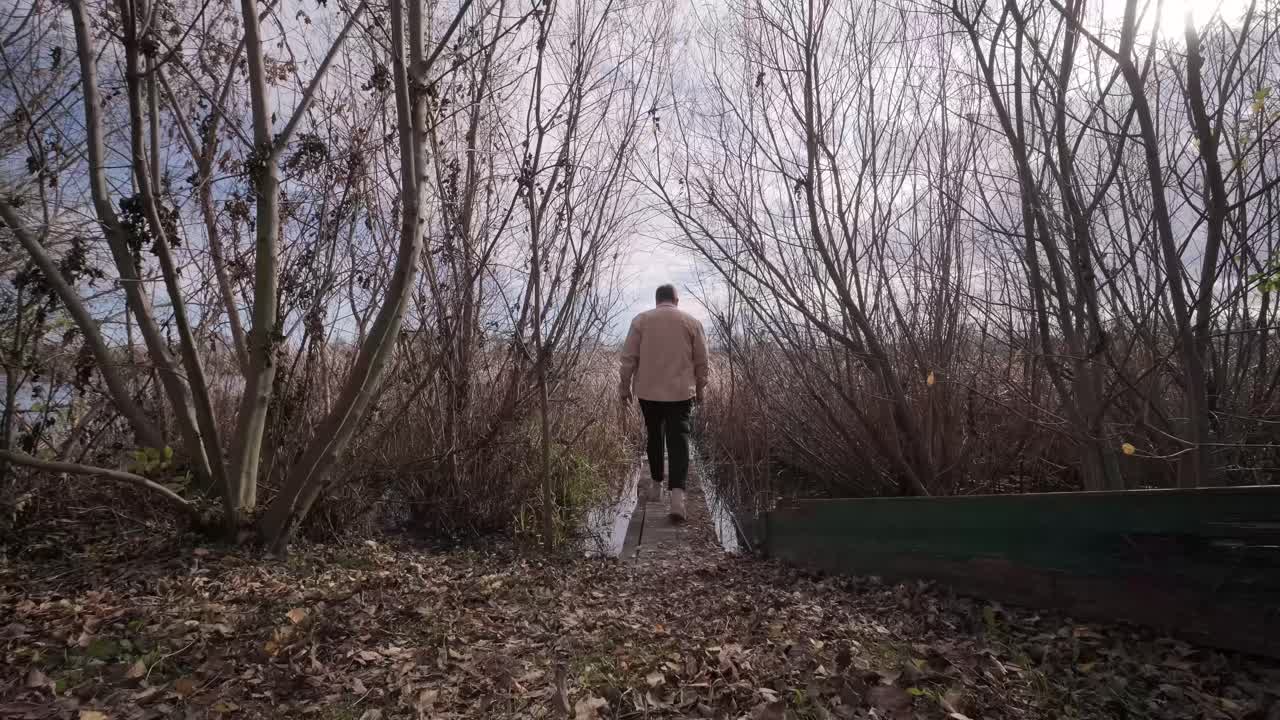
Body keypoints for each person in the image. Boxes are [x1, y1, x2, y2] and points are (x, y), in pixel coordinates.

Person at [618, 284, 709, 521]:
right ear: (676, 300)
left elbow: (629, 357)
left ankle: (656, 486)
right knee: (679, 439)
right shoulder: (691, 322)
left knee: (655, 435)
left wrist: (624, 387)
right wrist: (700, 389)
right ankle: (677, 498)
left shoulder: (641, 321)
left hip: (648, 392)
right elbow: (702, 361)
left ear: (657, 299)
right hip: (680, 392)